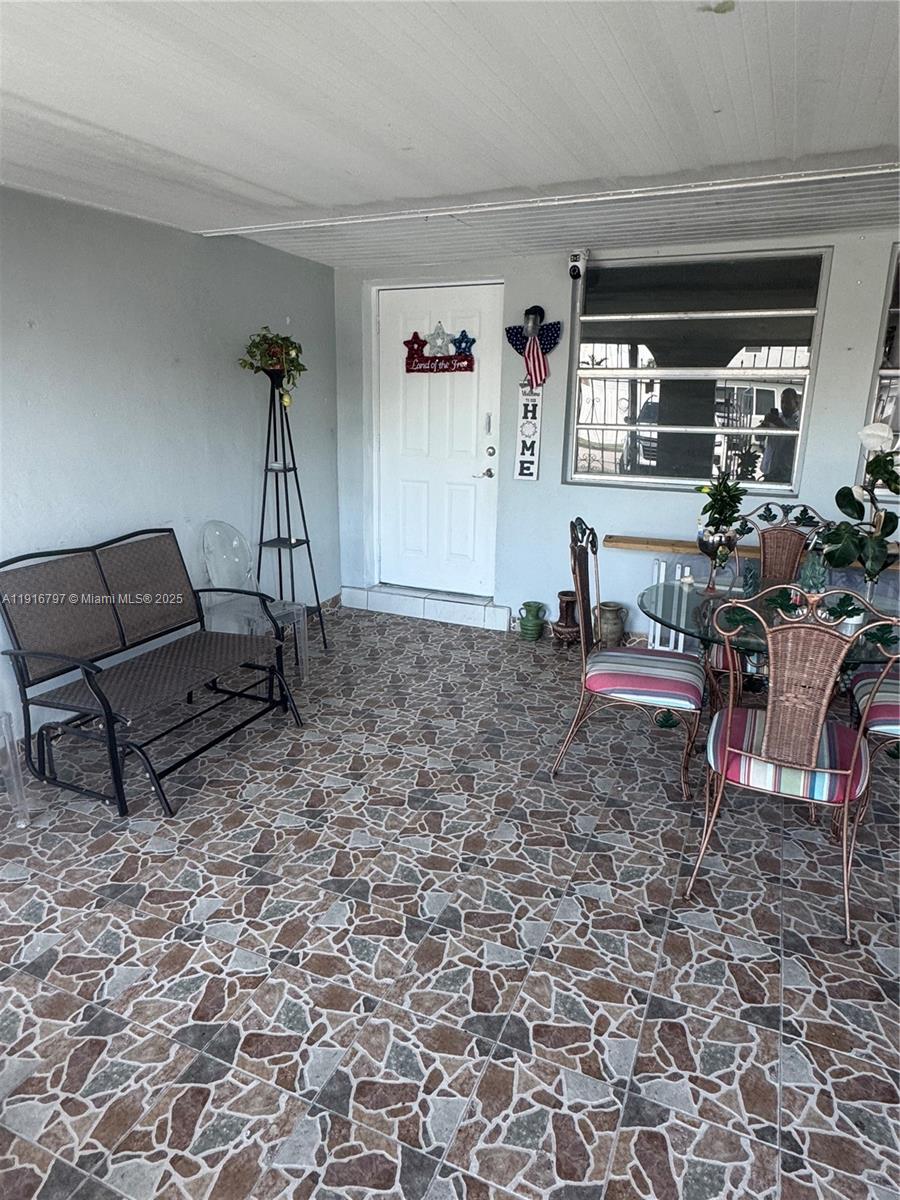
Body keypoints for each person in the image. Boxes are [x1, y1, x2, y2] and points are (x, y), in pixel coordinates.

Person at [761, 388, 801, 482]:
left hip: (786, 472)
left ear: (796, 403)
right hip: (768, 469)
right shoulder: (777, 417)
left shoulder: (800, 420)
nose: (784, 406)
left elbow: (796, 440)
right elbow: (758, 437)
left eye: (787, 402)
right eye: (782, 402)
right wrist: (764, 425)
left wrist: (780, 424)